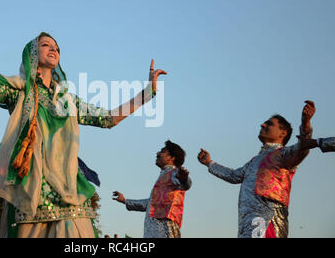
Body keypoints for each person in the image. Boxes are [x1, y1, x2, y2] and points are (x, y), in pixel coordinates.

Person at [0, 24, 166, 238]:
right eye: (46, 45)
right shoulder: (18, 90)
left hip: (68, 191)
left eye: (57, 47)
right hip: (30, 192)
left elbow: (108, 119)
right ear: (33, 53)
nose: (53, 49)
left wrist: (148, 93)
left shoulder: (67, 101)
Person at [197, 101, 316, 238]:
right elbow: (234, 175)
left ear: (283, 133)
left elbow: (303, 148)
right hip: (247, 223)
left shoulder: (284, 154)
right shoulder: (255, 160)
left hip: (268, 220)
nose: (262, 125)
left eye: (269, 124)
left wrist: (306, 124)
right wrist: (209, 163)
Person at [112, 140, 192, 238]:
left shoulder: (174, 172)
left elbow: (185, 185)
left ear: (172, 158)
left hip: (164, 228)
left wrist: (184, 179)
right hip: (153, 229)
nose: (157, 153)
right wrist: (125, 201)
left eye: (162, 151)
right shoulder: (164, 174)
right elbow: (150, 204)